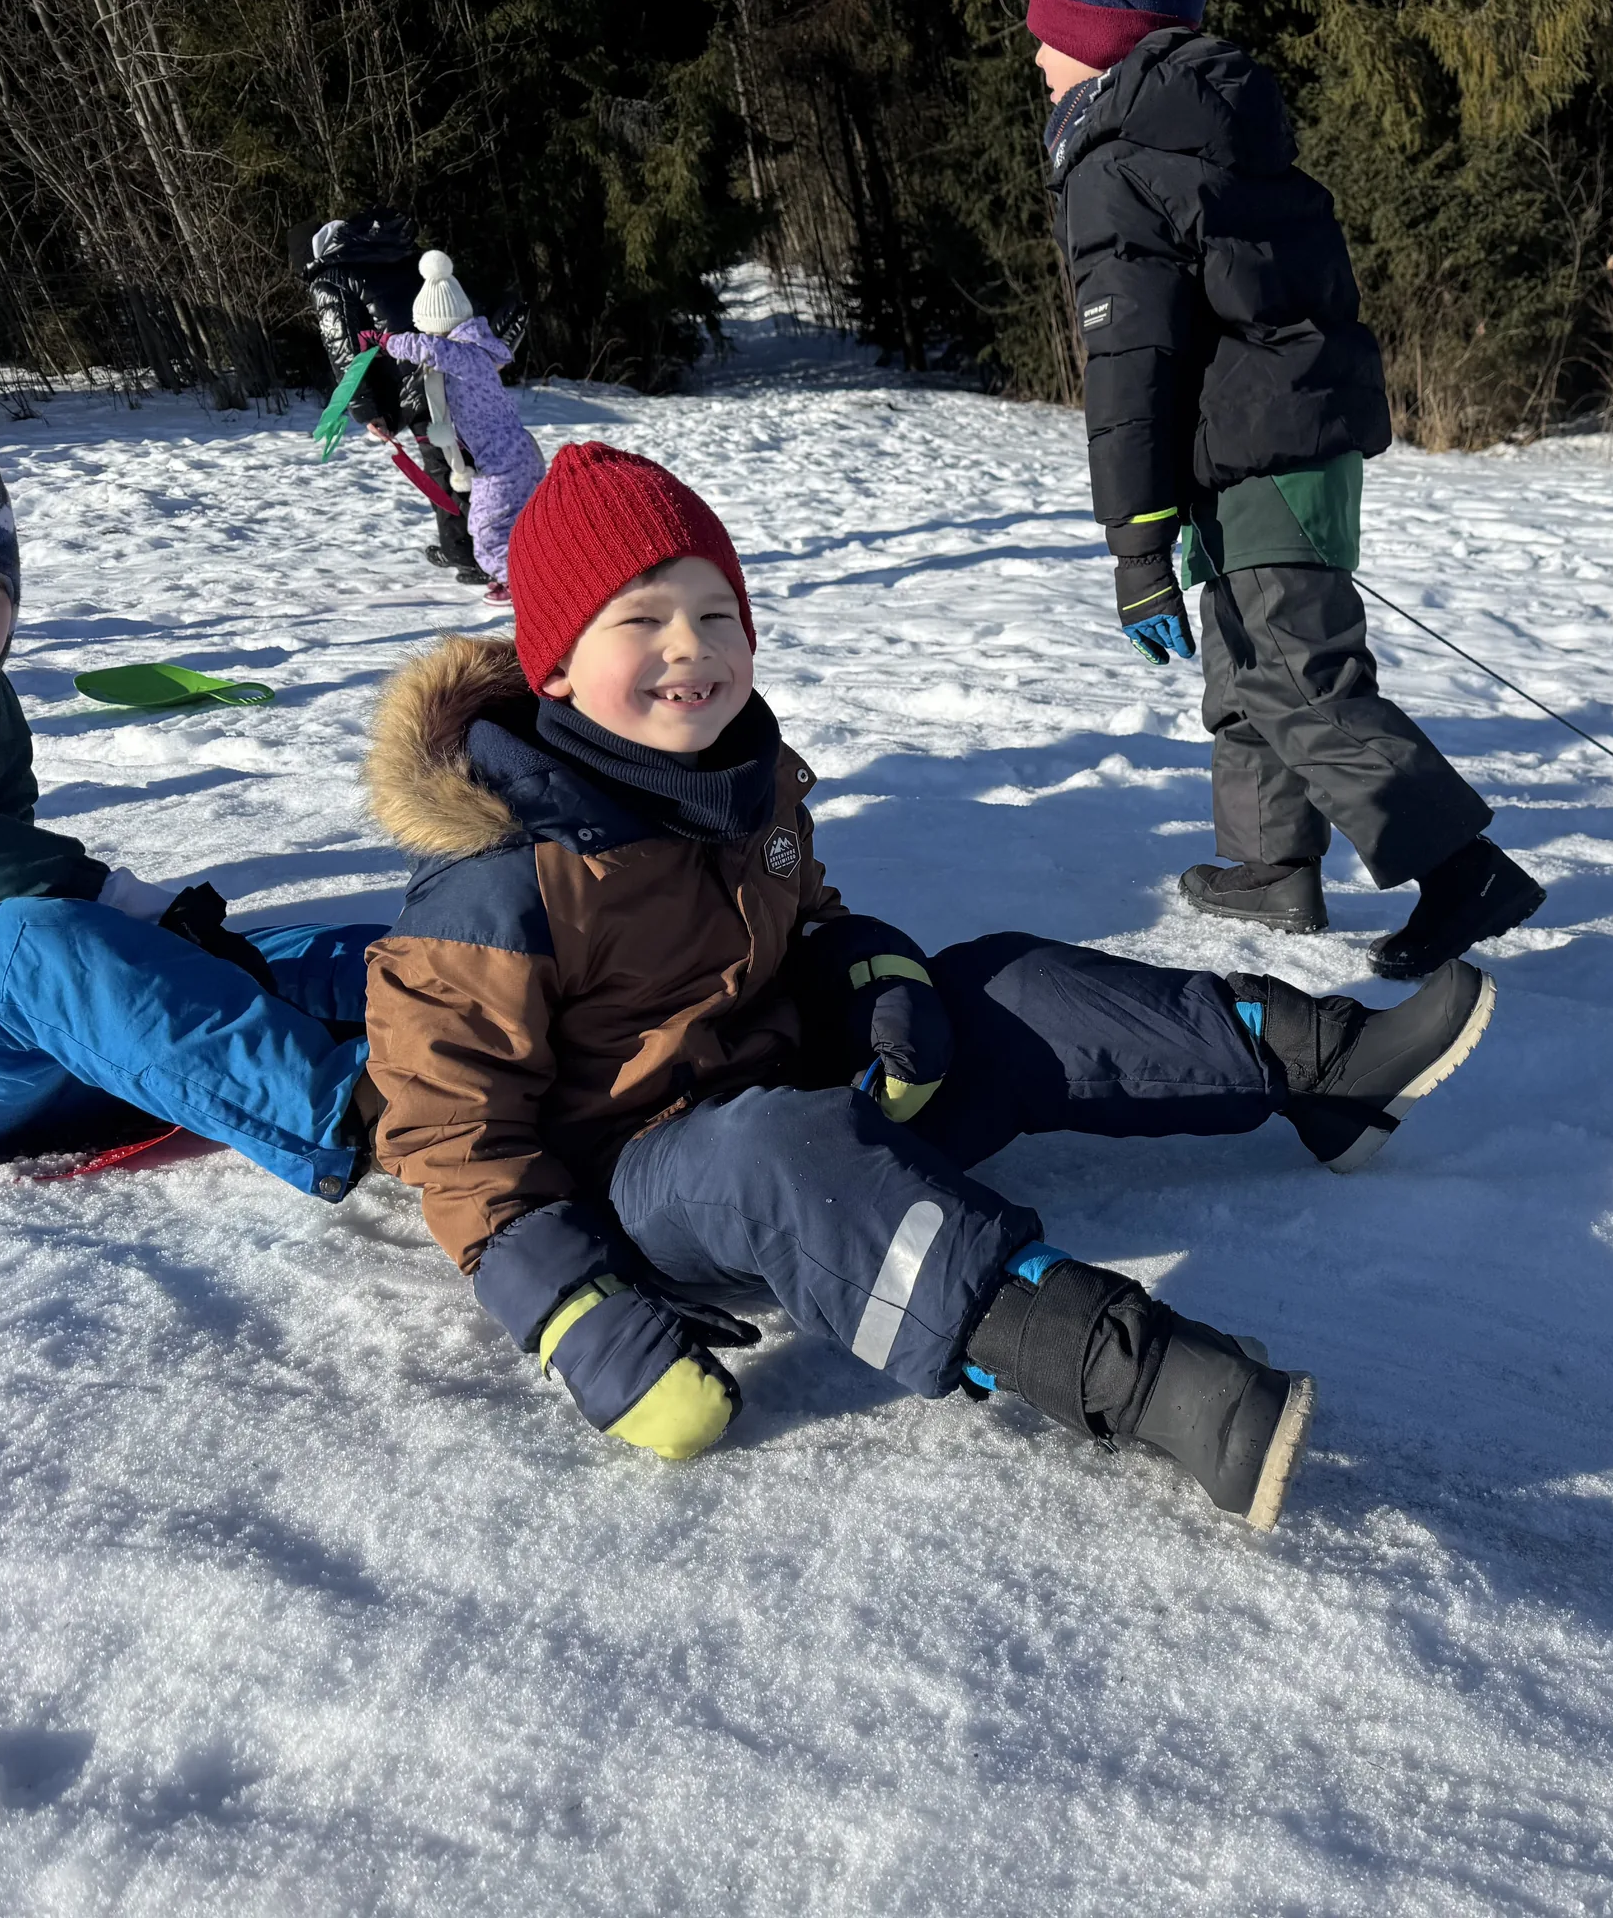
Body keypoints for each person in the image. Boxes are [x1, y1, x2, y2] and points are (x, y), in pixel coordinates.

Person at [361, 444, 1497, 1528]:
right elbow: (453, 1137)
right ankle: (1136, 1375)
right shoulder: (497, 879)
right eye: (642, 621)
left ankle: (1320, 1064)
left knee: (990, 979)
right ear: (554, 661)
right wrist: (577, 1316)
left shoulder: (734, 781)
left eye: (717, 616)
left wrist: (875, 977)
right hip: (643, 1188)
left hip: (801, 1101)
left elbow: (813, 920)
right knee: (774, 1153)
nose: (690, 648)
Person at [1030, 2, 1548, 980]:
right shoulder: (1220, 136)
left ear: (1101, 44)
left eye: (1051, 38)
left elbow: (1130, 365)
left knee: (1293, 673)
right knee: (1245, 661)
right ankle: (1270, 868)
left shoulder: (1118, 160)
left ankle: (1460, 869)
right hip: (1287, 440)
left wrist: (1136, 551)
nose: (1039, 60)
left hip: (1256, 447)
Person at [0, 379, 380, 1192]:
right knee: (31, 948)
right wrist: (105, 896)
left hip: (15, 1058)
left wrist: (144, 932)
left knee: (247, 959)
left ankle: (523, 1000)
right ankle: (371, 1111)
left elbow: (9, 866)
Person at [302, 210, 483, 586]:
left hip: (417, 386)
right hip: (460, 367)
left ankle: (471, 555)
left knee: (446, 469)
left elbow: (345, 350)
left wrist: (367, 409)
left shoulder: (331, 279)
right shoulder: (395, 254)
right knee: (473, 459)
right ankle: (478, 545)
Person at [382, 252, 546, 605]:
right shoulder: (477, 347)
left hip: (502, 463)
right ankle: (529, 574)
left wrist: (387, 342)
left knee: (486, 530)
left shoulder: (464, 353)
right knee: (517, 525)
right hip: (516, 455)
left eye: (427, 327)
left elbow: (429, 349)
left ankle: (523, 588)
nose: (426, 335)